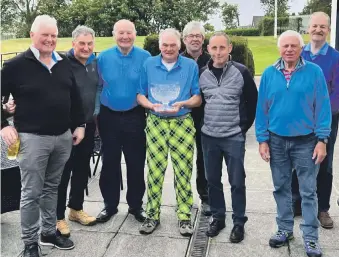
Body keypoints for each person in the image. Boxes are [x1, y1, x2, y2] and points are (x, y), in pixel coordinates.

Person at [0, 15, 85, 257]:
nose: (49, 39)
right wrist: (3, 124)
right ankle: (29, 243)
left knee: (52, 188)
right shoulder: (16, 66)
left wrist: (80, 125)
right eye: (44, 35)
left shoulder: (64, 63)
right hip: (32, 139)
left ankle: (48, 233)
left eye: (53, 35)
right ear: (32, 35)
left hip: (62, 137)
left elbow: (75, 97)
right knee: (31, 192)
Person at [255, 30, 331, 257]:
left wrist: (322, 140)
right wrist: (262, 140)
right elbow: (262, 109)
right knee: (281, 188)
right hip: (277, 140)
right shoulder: (269, 73)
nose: (289, 49)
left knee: (308, 191)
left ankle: (311, 238)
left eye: (293, 46)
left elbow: (323, 108)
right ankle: (285, 229)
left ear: (301, 49)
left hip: (307, 142)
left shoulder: (314, 72)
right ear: (279, 49)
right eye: (285, 46)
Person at [137, 28, 201, 236]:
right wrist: (151, 106)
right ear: (159, 46)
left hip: (182, 122)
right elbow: (141, 95)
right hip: (156, 122)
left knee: (183, 171)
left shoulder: (190, 66)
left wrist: (184, 102)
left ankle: (184, 216)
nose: (169, 48)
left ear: (180, 45)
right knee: (155, 170)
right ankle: (152, 214)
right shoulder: (148, 64)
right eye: (165, 45)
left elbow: (197, 98)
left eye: (173, 45)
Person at [199, 32, 257, 242]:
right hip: (209, 137)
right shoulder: (202, 73)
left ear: (230, 48)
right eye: (214, 48)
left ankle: (239, 222)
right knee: (212, 180)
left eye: (222, 48)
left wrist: (242, 128)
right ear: (208, 50)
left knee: (237, 181)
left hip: (233, 137)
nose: (218, 52)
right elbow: (199, 103)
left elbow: (252, 102)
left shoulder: (241, 72)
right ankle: (218, 217)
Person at [95, 19, 151, 223]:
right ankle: (109, 205)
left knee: (135, 162)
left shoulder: (146, 58)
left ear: (135, 34)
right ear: (114, 34)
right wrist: (95, 114)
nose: (125, 37)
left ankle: (136, 205)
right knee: (109, 162)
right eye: (121, 33)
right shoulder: (103, 57)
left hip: (135, 116)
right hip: (108, 116)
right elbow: (98, 87)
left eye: (129, 33)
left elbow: (149, 88)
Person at [291, 12, 339, 230]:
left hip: (325, 120)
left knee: (323, 162)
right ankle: (297, 203)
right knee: (296, 159)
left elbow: (336, 92)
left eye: (323, 27)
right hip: (299, 118)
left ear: (328, 30)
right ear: (308, 29)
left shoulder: (335, 58)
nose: (318, 30)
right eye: (315, 26)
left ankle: (322, 208)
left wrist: (319, 114)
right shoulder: (300, 54)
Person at [56, 25, 99, 238]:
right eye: (81, 43)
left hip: (88, 125)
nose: (86, 47)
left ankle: (75, 209)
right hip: (66, 127)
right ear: (73, 43)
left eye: (89, 43)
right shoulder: (62, 64)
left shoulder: (94, 63)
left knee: (82, 170)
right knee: (62, 173)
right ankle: (58, 217)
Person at [181, 21, 211, 216]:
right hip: (181, 116)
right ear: (184, 40)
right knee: (182, 160)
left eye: (198, 36)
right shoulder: (176, 59)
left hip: (205, 118)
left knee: (204, 159)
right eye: (190, 36)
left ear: (203, 39)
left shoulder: (212, 60)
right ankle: (183, 199)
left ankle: (206, 197)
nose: (194, 39)